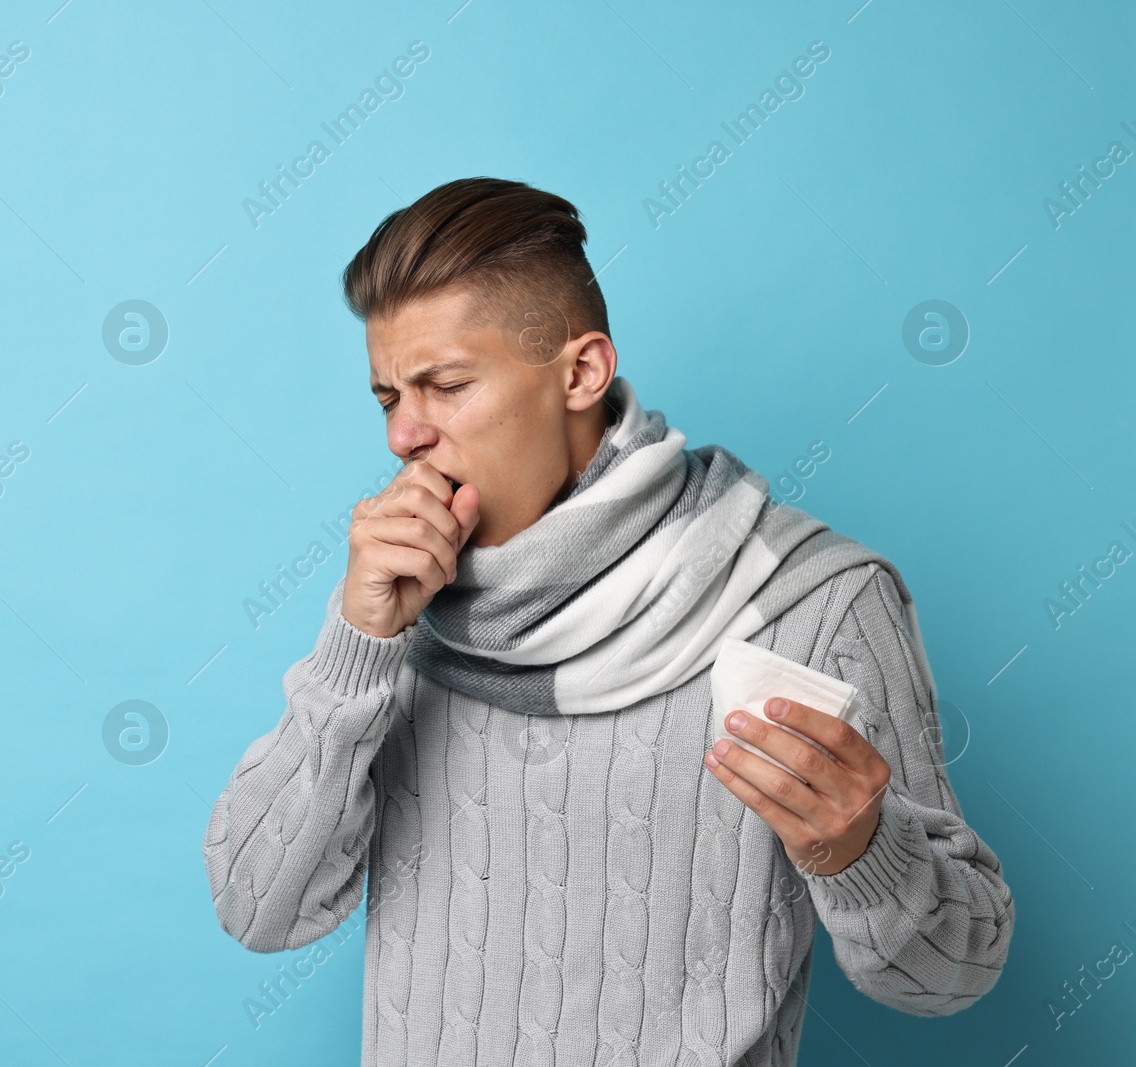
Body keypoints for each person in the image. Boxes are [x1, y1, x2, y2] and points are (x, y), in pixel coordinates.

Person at [202, 177, 1013, 1066]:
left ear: (581, 372)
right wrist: (357, 647)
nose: (404, 435)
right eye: (390, 396)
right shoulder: (398, 608)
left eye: (444, 385)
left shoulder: (813, 600)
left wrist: (864, 850)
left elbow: (955, 974)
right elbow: (258, 907)